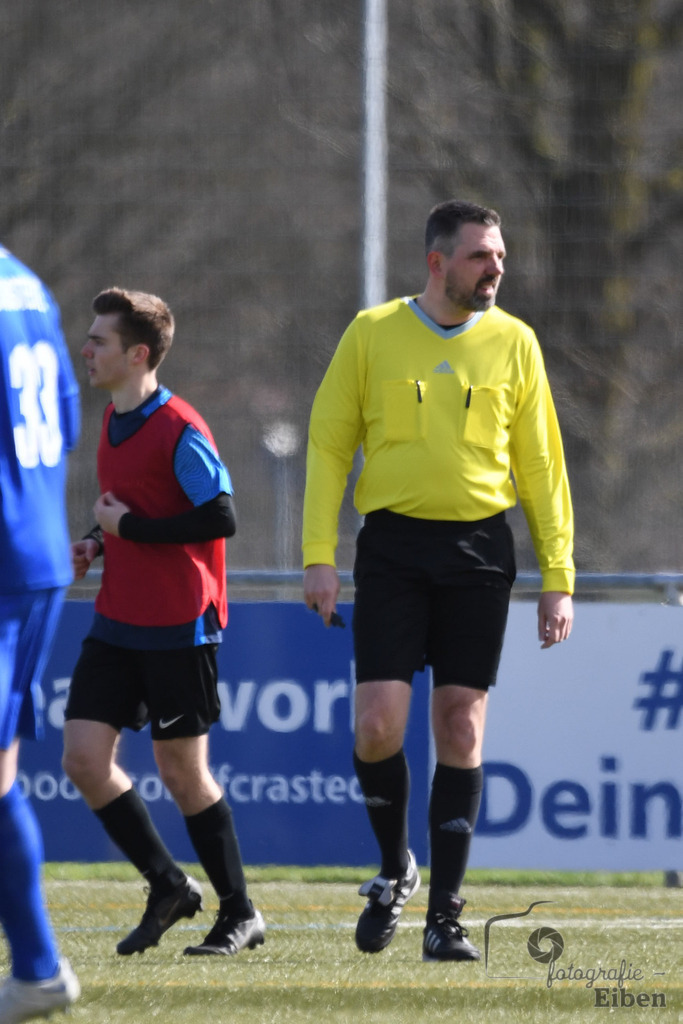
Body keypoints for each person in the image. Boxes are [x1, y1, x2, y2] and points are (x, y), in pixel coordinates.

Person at [302, 200, 574, 962]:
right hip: (390, 546)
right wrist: (316, 553)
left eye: (500, 256)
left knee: (459, 723)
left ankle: (445, 916)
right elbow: (326, 445)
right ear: (436, 262)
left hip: (480, 549)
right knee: (377, 724)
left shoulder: (515, 342)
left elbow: (542, 465)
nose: (495, 268)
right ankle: (395, 870)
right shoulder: (371, 333)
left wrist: (560, 574)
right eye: (480, 256)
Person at [62, 287, 265, 958]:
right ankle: (167, 885)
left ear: (137, 354)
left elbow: (220, 516)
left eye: (99, 340)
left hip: (181, 622)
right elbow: (129, 505)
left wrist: (134, 529)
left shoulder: (180, 426)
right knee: (84, 760)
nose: (86, 349)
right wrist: (98, 537)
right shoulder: (112, 419)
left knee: (181, 772)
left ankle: (238, 912)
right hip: (118, 619)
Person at [0, 246, 81, 1021]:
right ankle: (34, 969)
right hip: (37, 548)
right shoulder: (25, 281)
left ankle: (37, 964)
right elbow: (67, 413)